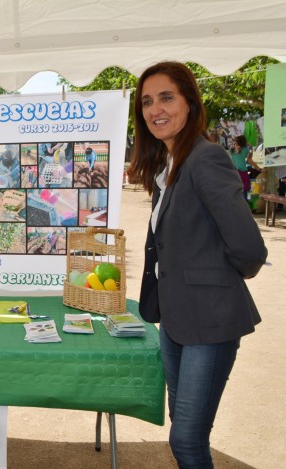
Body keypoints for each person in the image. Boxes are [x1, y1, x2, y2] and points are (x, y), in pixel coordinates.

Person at [128, 61, 267, 469]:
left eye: (166, 97)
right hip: (175, 320)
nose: (156, 109)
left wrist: (211, 282)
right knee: (185, 430)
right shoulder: (169, 165)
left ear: (190, 101)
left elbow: (249, 249)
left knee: (187, 439)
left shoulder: (205, 158)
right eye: (147, 101)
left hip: (210, 322)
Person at [229, 135, 261, 200]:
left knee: (235, 193)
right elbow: (250, 161)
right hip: (243, 173)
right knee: (244, 193)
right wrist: (259, 168)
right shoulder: (246, 150)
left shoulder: (231, 150)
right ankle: (245, 208)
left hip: (233, 174)